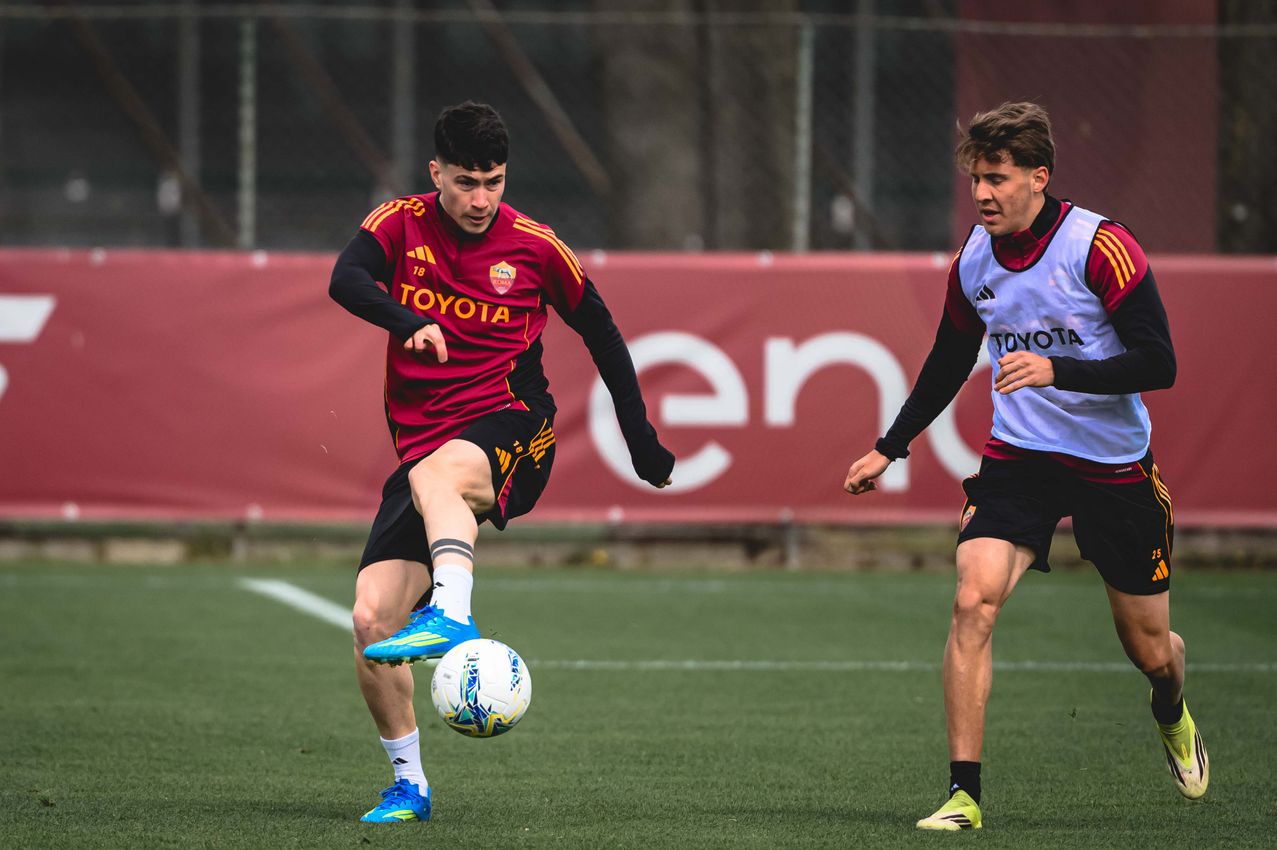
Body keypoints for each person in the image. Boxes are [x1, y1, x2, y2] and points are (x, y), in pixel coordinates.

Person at [842, 101, 1206, 831]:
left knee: (1148, 649)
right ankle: (963, 796)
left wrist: (1056, 370)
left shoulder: (1099, 246)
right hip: (1021, 459)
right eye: (975, 179)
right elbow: (948, 360)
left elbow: (1158, 362)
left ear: (1038, 177)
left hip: (1112, 465)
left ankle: (1172, 710)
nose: (981, 194)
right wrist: (890, 444)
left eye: (997, 179)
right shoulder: (974, 260)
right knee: (971, 602)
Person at [329, 101, 674, 824]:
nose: (481, 198)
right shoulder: (398, 224)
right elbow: (346, 279)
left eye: (493, 181)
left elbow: (604, 334)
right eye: (466, 182)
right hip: (428, 452)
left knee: (437, 475)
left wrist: (640, 438)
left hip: (518, 425)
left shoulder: (535, 246)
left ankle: (452, 612)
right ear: (436, 173)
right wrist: (408, 321)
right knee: (370, 622)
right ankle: (410, 786)